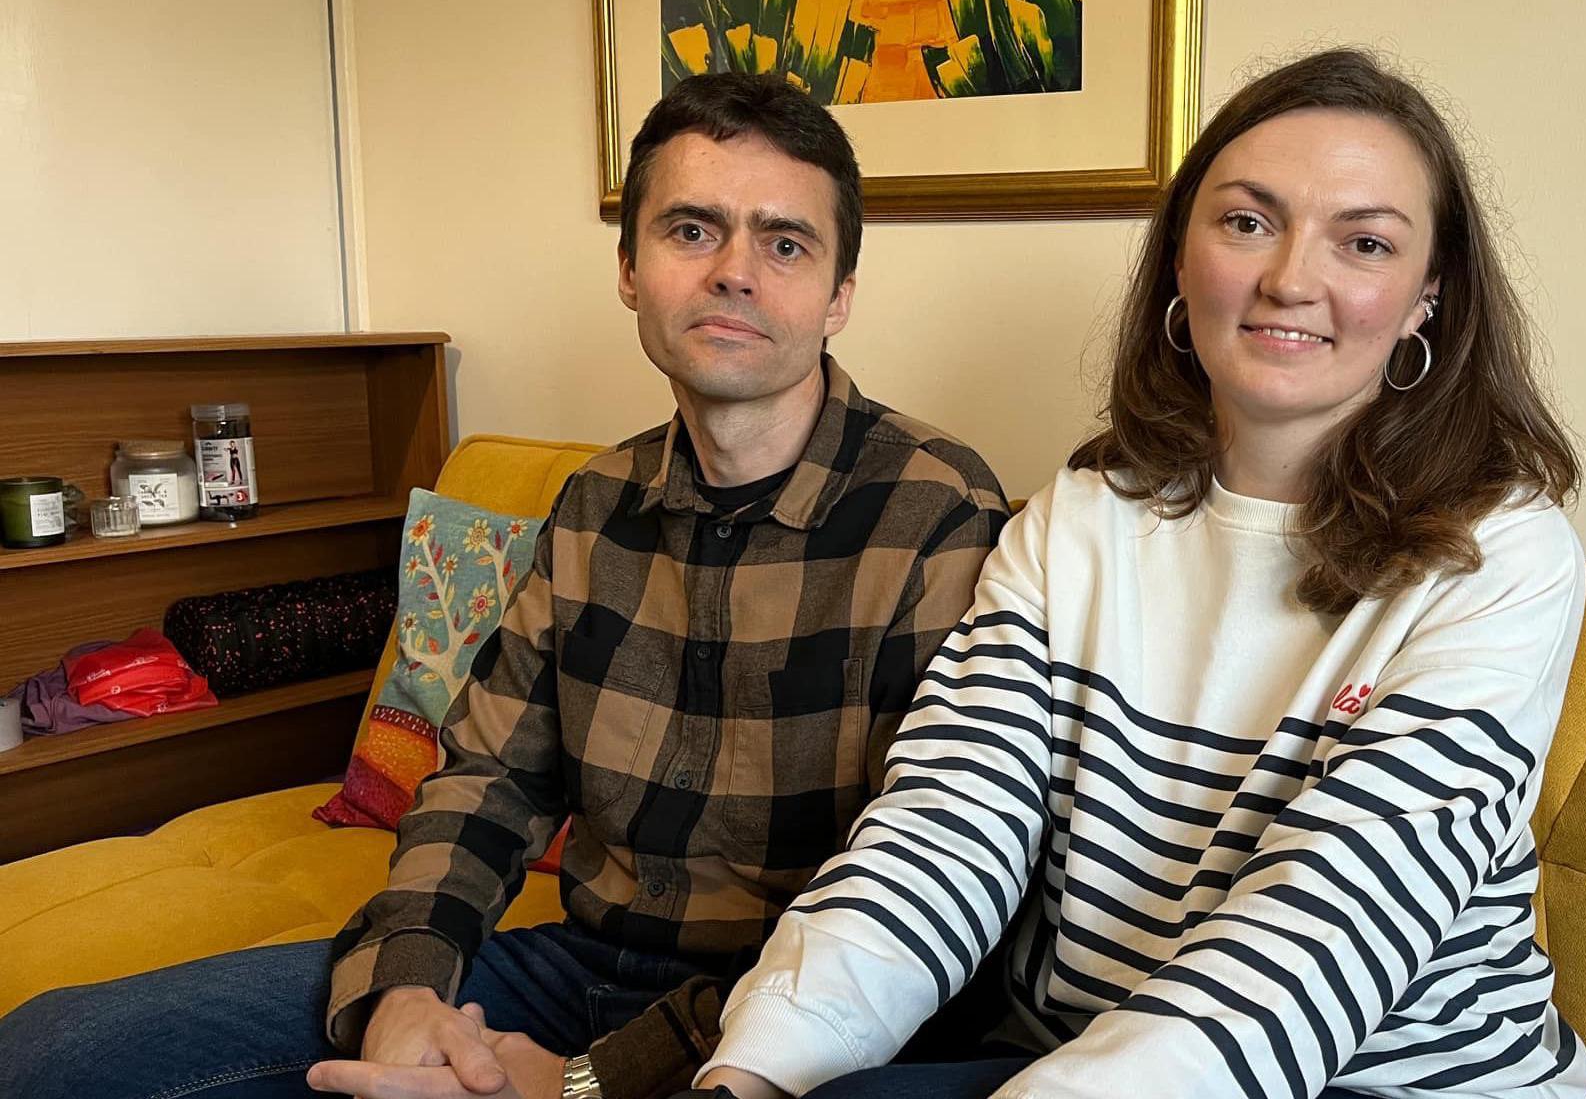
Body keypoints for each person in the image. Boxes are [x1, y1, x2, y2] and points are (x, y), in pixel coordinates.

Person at [0, 71, 1008, 1099]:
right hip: (573, 967)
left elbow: (920, 893)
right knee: (54, 1051)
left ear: (840, 293)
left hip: (796, 1021)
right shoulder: (591, 506)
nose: (734, 274)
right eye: (692, 231)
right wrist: (404, 991)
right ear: (629, 268)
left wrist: (592, 1080)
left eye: (784, 243)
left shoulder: (934, 513)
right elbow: (491, 780)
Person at [695, 47, 1586, 1099]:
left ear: (1423, 298)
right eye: (1247, 222)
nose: (1290, 279)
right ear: (1179, 257)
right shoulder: (1075, 520)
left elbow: (1325, 935)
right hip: (1080, 1057)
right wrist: (754, 1069)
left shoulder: (1501, 556)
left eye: (1362, 242)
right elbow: (942, 831)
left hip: (1383, 1083)